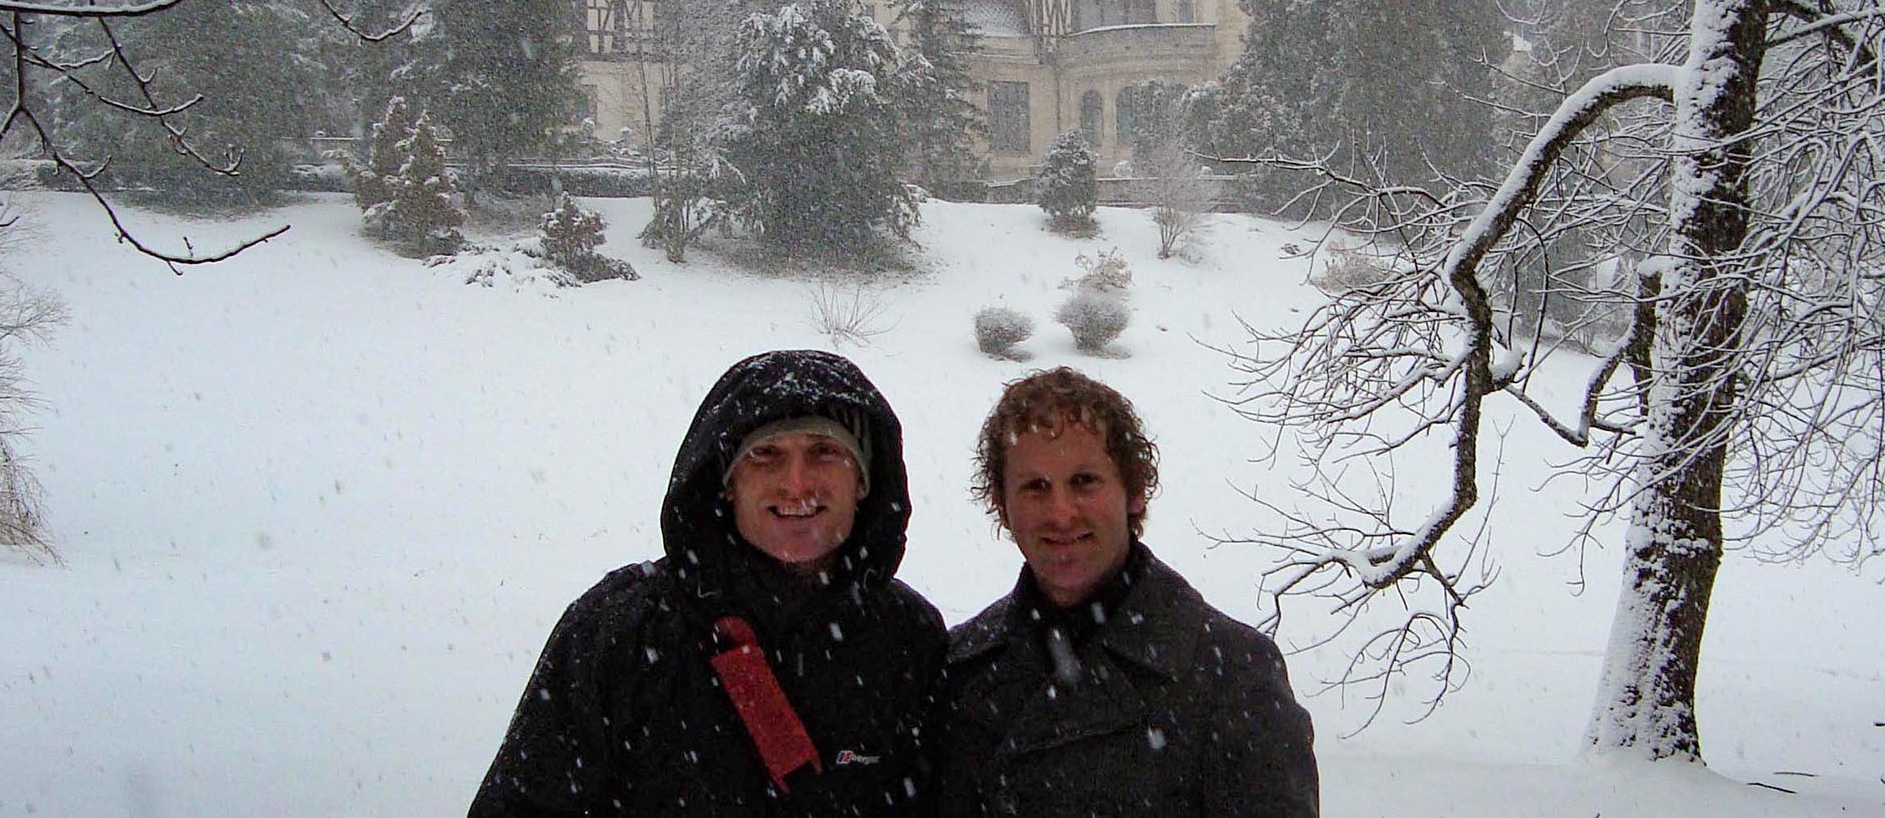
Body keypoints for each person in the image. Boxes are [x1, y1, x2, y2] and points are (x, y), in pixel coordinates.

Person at [470, 349, 945, 816]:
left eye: (825, 451)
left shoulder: (909, 638)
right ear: (727, 481)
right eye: (765, 454)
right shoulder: (624, 629)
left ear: (863, 480)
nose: (797, 484)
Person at [935, 366, 1318, 818]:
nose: (1061, 514)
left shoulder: (1230, 673)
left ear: (1134, 492)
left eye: (1084, 482)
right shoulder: (959, 668)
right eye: (1036, 487)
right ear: (1003, 505)